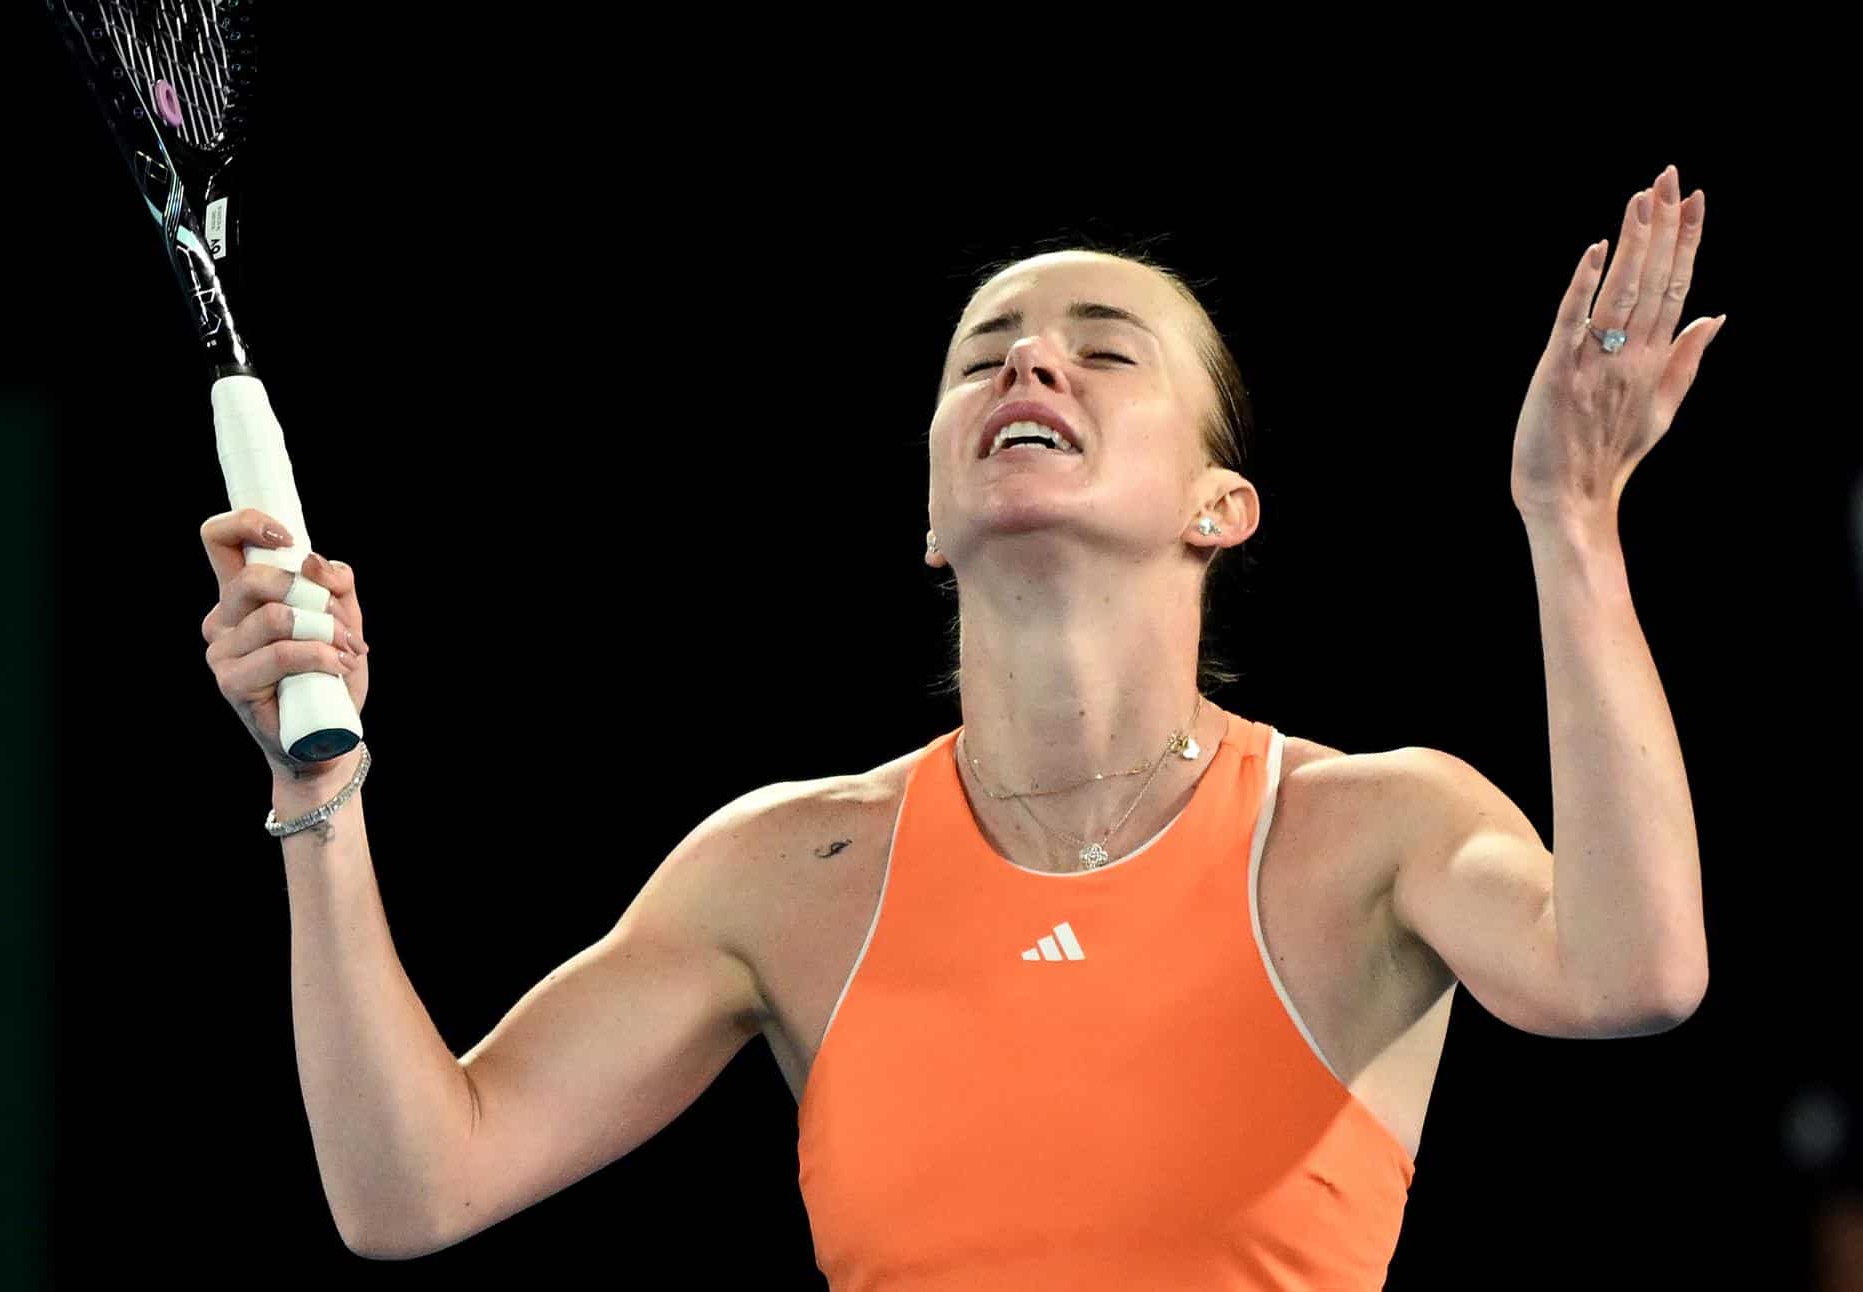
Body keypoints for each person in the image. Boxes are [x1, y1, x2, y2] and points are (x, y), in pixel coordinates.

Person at [199, 167, 1716, 1285]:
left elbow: (1635, 972)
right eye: (983, 354)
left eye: (1104, 349)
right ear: (932, 519)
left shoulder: (1372, 828)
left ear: (1220, 507)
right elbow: (413, 1187)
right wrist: (315, 790)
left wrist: (1570, 518)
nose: (1028, 364)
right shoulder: (787, 870)